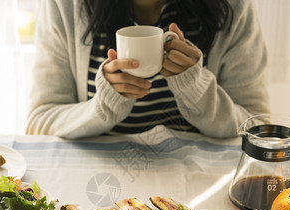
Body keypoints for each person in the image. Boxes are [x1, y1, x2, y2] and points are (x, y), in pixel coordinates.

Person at [26, 0, 270, 139]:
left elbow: (257, 127)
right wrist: (103, 106)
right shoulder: (66, 5)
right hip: (101, 182)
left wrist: (197, 91)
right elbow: (39, 123)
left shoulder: (232, 7)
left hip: (195, 181)